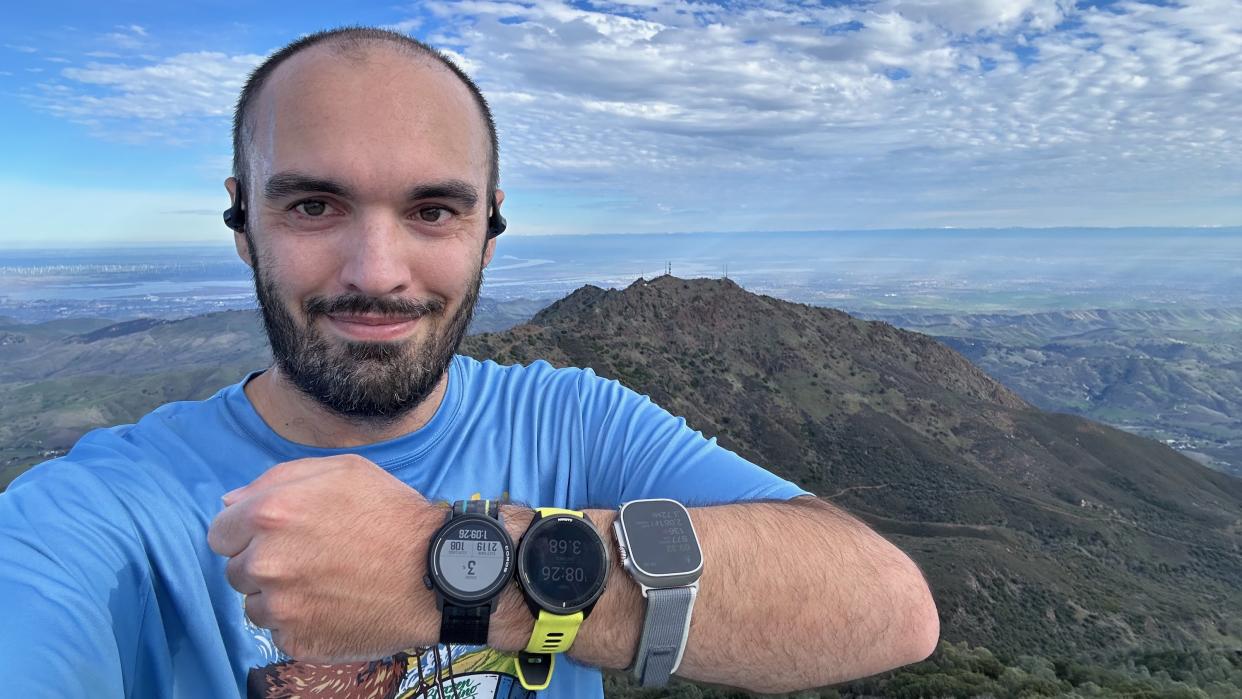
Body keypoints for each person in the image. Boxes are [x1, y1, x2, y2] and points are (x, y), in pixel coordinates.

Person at [0, 27, 938, 699]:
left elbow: (888, 604)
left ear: (489, 231)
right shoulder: (99, 511)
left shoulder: (575, 420)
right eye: (314, 206)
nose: (377, 272)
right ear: (243, 224)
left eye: (433, 211)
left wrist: (443, 570)